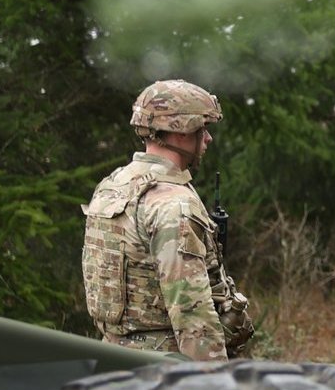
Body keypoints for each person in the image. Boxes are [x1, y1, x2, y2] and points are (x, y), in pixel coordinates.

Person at [81, 79, 255, 359]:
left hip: (112, 358)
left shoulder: (113, 185)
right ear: (182, 130)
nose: (208, 139)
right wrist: (216, 387)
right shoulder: (173, 203)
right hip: (165, 368)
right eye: (203, 129)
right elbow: (192, 319)